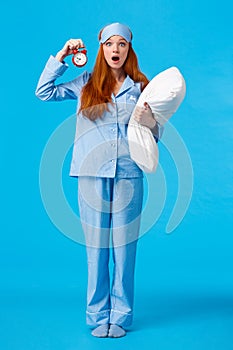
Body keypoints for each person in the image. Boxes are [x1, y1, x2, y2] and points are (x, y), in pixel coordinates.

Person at [35, 22, 161, 338]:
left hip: (128, 176)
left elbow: (154, 136)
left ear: (129, 49)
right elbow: (44, 92)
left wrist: (150, 123)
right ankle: (97, 315)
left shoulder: (142, 87)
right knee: (96, 249)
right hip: (91, 174)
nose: (115, 50)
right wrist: (61, 57)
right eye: (109, 44)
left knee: (124, 249)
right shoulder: (85, 84)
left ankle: (120, 315)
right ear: (101, 49)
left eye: (121, 44)